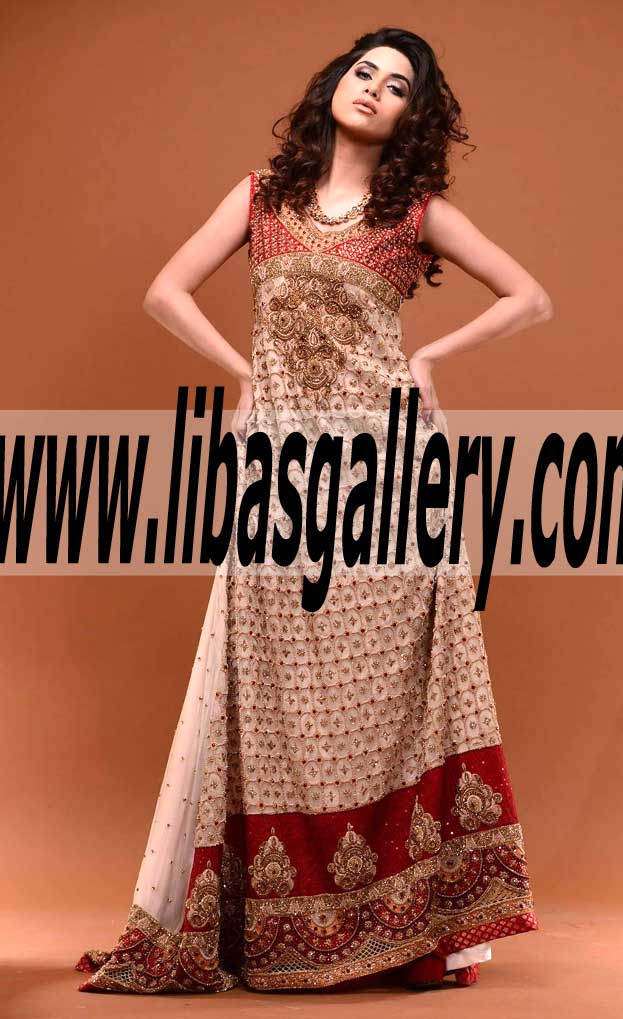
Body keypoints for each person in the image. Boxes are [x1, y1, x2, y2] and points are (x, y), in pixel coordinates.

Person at [75, 25, 552, 995]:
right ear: (334, 83)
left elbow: (528, 296)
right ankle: (282, 923)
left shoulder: (414, 211)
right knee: (275, 690)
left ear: (413, 116)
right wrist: (244, 374)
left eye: (396, 85)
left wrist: (426, 359)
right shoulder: (261, 197)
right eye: (363, 71)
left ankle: (413, 926)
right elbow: (166, 290)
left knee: (387, 694)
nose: (373, 88)